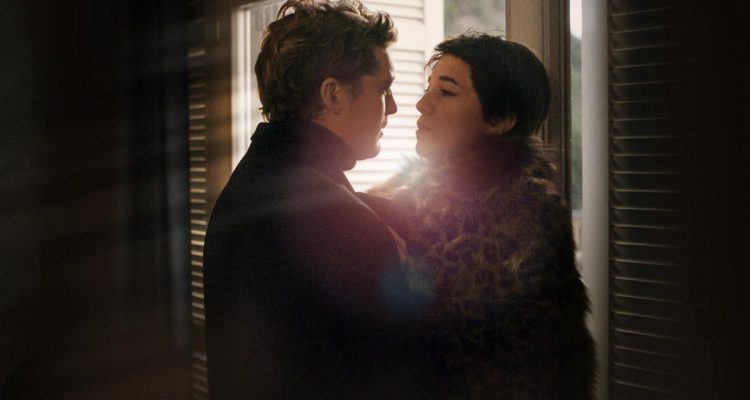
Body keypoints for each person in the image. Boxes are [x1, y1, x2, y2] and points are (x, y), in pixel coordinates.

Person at [203, 1, 426, 398]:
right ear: (333, 94)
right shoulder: (338, 217)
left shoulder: (251, 183)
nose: (392, 107)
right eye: (383, 89)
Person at [367, 33, 596, 398]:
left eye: (446, 92)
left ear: (499, 119)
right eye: (428, 88)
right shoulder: (412, 194)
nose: (423, 104)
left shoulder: (519, 213)